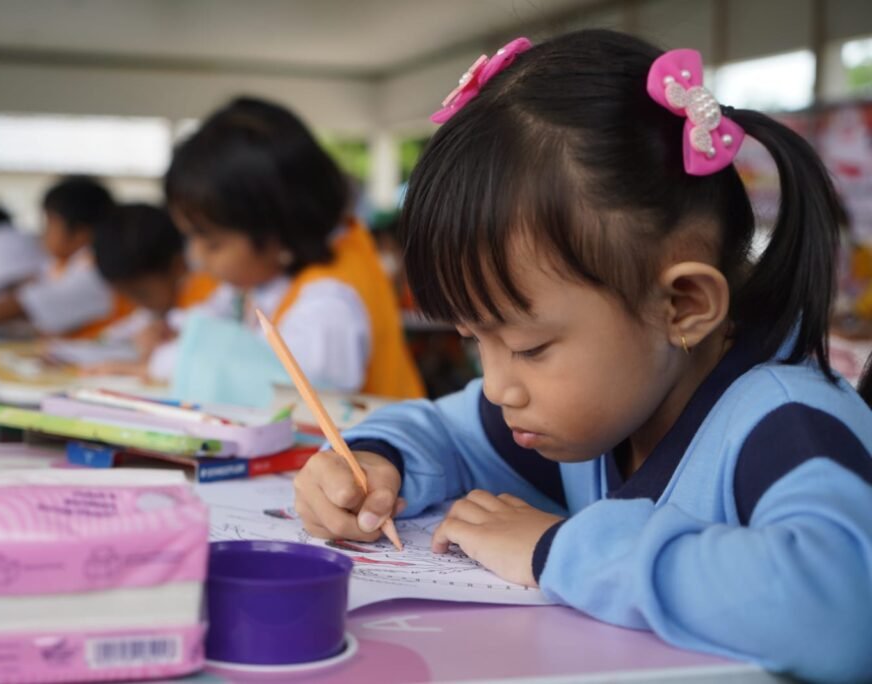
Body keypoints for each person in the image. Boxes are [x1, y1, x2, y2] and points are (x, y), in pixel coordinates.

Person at [293, 31, 872, 682]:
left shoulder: (785, 424)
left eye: (528, 347)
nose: (496, 387)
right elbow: (440, 434)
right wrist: (373, 464)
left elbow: (841, 612)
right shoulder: (592, 413)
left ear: (682, 305)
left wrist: (554, 548)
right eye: (474, 342)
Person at [165, 97, 423, 398]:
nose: (195, 257)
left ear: (277, 231)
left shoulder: (329, 301)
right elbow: (215, 313)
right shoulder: (272, 273)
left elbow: (272, 384)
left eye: (212, 243)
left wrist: (165, 360)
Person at [0, 176, 133, 337]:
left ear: (80, 233)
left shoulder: (95, 270)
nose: (43, 233)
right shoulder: (68, 263)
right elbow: (31, 281)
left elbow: (23, 305)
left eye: (49, 223)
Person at [90, 202, 217, 378]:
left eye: (141, 294)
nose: (137, 302)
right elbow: (118, 333)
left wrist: (141, 366)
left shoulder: (208, 293)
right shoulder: (159, 306)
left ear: (178, 266)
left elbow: (207, 353)